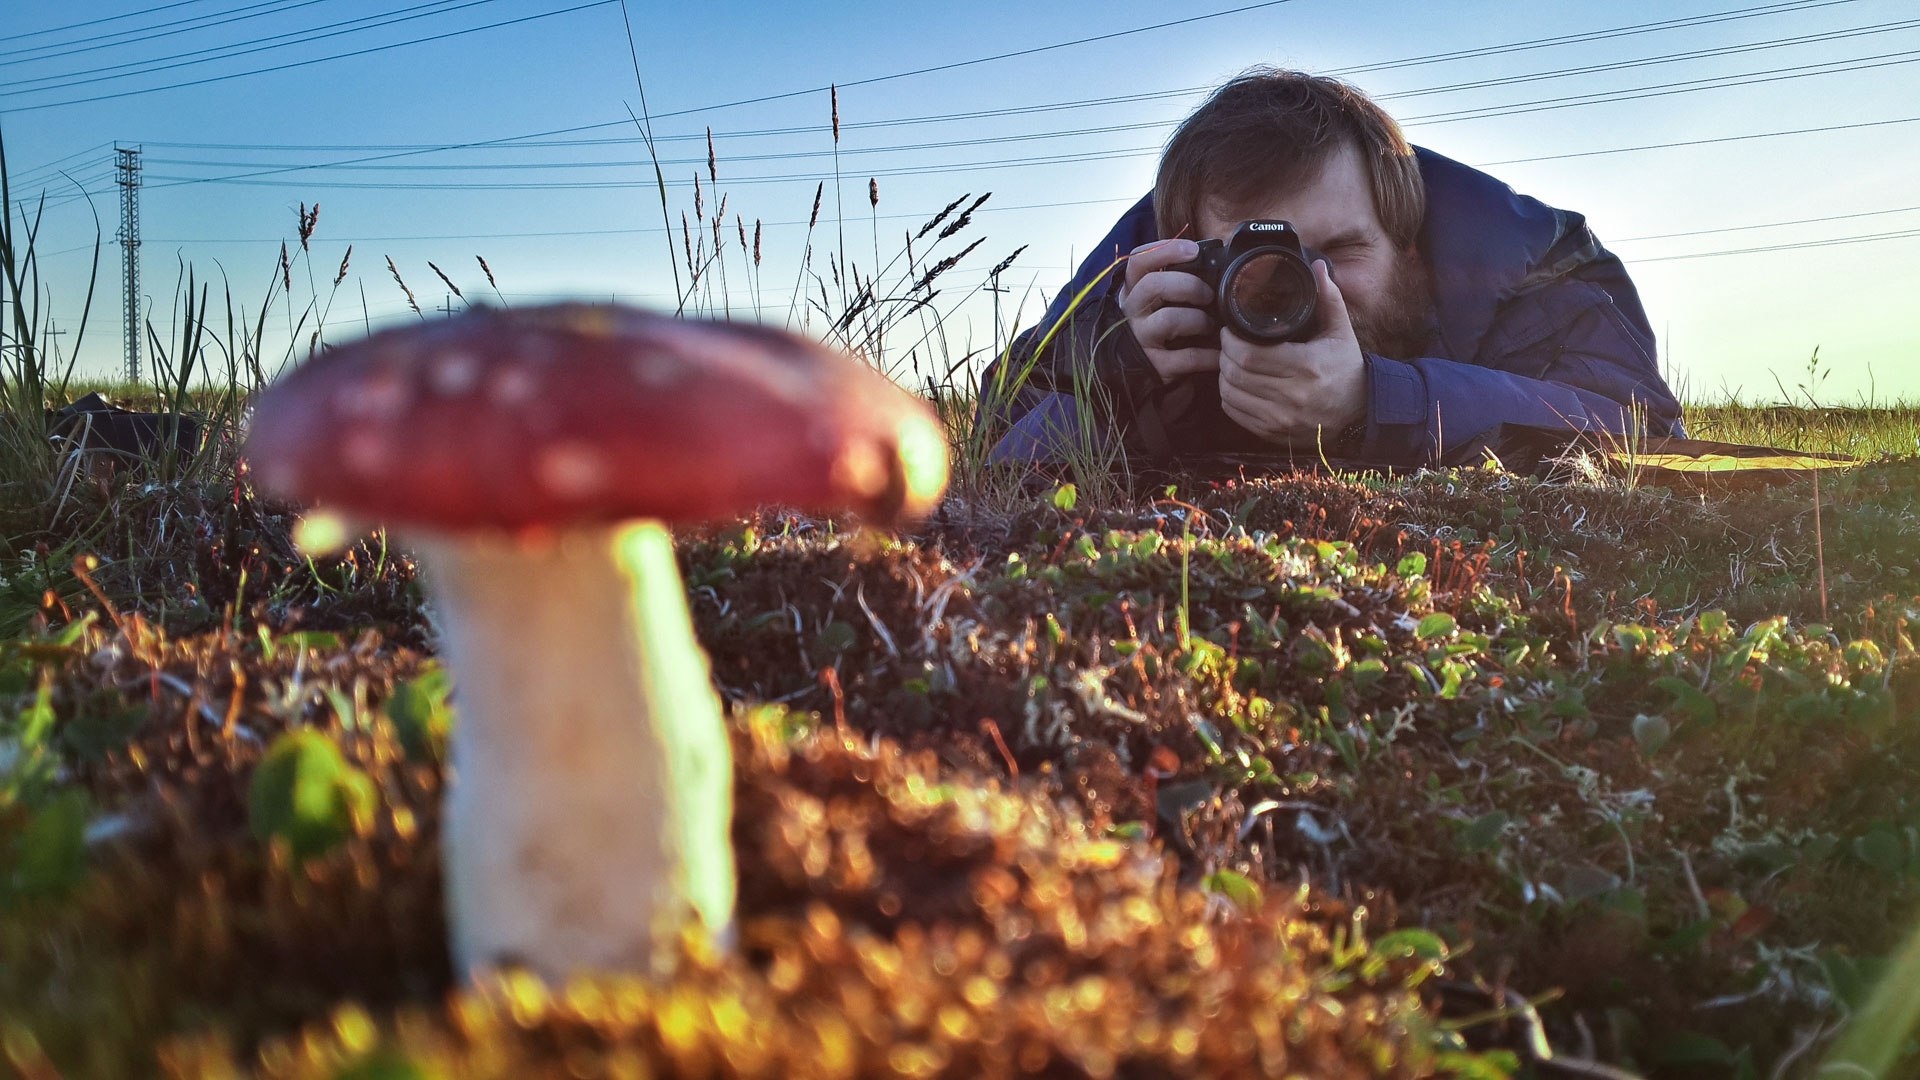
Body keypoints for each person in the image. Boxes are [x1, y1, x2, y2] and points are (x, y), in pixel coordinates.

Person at [975, 67, 1683, 469]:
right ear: (1191, 255)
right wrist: (1116, 364)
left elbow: (1646, 436)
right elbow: (992, 443)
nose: (1301, 286)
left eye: (1341, 253)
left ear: (1412, 247)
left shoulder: (1515, 276)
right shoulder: (1143, 279)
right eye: (1256, 259)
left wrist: (1381, 402)